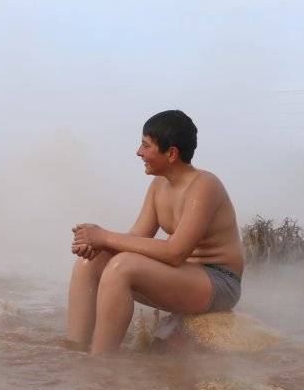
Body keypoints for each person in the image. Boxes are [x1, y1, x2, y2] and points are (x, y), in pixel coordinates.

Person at [66, 109, 244, 354]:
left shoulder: (205, 186)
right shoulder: (158, 185)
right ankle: (74, 350)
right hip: (183, 276)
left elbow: (175, 253)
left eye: (146, 145)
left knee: (123, 266)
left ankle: (100, 364)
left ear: (171, 153)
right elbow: (137, 238)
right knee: (90, 262)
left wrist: (105, 236)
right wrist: (98, 243)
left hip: (219, 282)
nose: (139, 152)